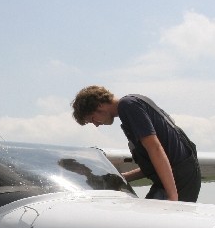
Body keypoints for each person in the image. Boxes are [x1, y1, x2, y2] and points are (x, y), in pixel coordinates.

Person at [71, 86, 201, 202]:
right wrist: (121, 178)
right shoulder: (134, 102)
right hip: (180, 179)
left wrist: (172, 197)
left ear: (99, 105)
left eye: (92, 119)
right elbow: (160, 159)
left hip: (179, 182)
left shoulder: (128, 106)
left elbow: (155, 148)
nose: (97, 124)